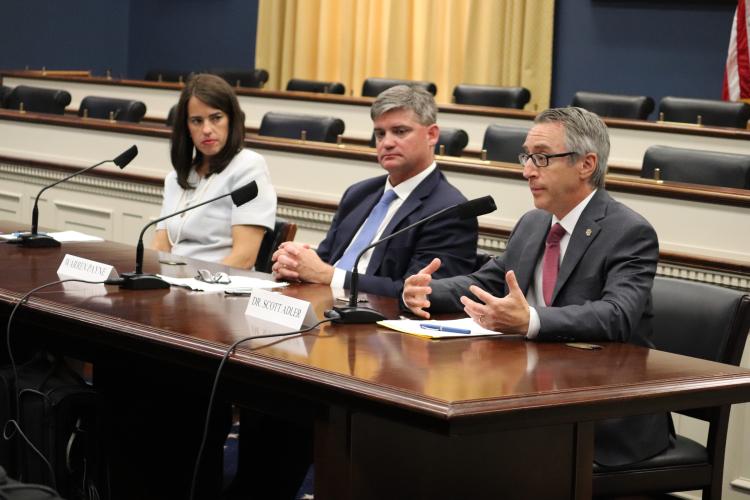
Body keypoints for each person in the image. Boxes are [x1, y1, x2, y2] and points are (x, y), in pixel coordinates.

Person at [402, 106, 671, 467]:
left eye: (542, 158)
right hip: (532, 391)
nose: (527, 170)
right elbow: (485, 283)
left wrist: (530, 319)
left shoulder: (629, 232)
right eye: (526, 156)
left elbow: (617, 315)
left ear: (586, 164)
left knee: (476, 452)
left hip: (602, 410)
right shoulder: (534, 222)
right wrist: (428, 291)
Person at [271, 84, 478, 297]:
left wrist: (329, 275)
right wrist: (296, 266)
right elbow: (324, 262)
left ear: (432, 135)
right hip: (323, 308)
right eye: (380, 134)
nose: (387, 143)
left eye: (400, 131)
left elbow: (422, 293)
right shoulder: (358, 193)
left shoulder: (450, 209)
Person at [152, 73, 276, 269]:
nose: (207, 129)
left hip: (221, 287)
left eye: (216, 118)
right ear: (186, 128)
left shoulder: (248, 167)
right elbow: (160, 247)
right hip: (175, 284)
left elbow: (244, 258)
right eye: (196, 121)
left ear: (231, 119)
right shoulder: (175, 178)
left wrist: (195, 284)